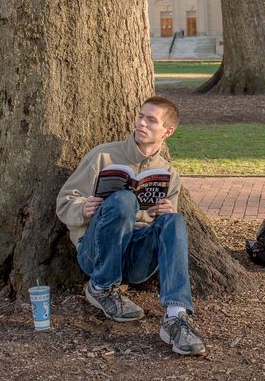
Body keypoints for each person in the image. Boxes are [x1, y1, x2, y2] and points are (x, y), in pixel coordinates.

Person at [56, 96, 206, 356]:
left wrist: (163, 214)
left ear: (167, 131)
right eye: (140, 116)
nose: (142, 124)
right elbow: (64, 202)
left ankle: (175, 317)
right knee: (124, 199)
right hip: (96, 254)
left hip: (136, 260)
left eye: (151, 120)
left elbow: (165, 233)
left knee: (175, 220)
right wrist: (82, 208)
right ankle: (101, 288)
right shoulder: (103, 155)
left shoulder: (168, 174)